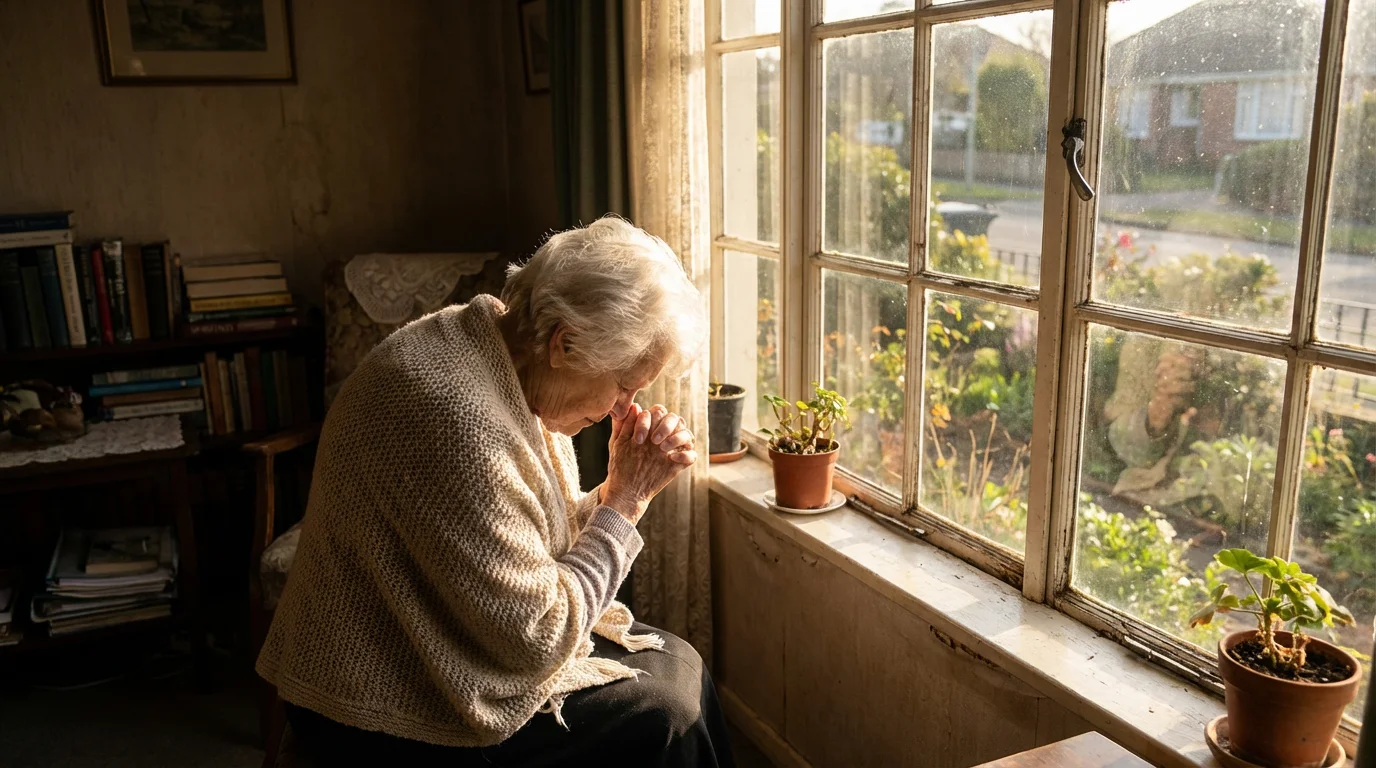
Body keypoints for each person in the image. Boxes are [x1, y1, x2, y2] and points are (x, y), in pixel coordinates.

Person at [256, 217, 734, 767]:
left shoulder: (488, 348)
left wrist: (620, 490)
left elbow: (521, 546)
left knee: (681, 663)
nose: (622, 407)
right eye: (624, 385)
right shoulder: (458, 418)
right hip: (372, 699)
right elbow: (538, 637)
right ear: (564, 343)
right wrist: (625, 504)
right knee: (667, 716)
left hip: (439, 638)